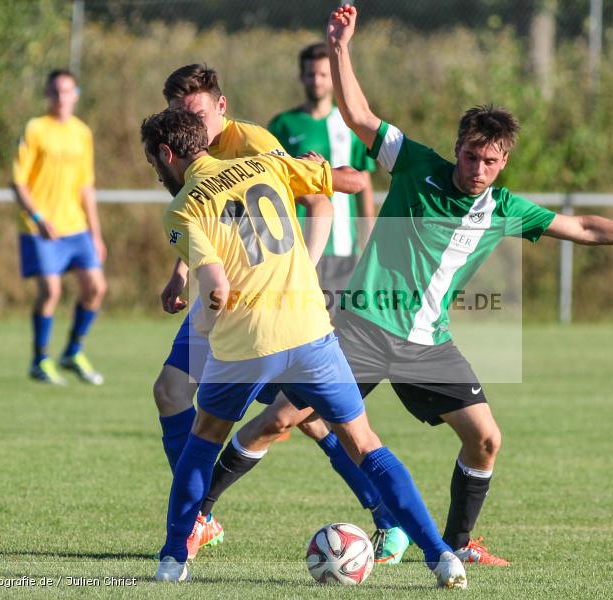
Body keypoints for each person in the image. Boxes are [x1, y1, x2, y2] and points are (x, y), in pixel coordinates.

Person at [189, 2, 613, 568]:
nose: (478, 169)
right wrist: (341, 49)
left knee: (486, 438)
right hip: (362, 329)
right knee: (279, 421)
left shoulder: (504, 208)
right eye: (471, 156)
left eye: (490, 161)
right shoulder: (416, 164)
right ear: (458, 145)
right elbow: (360, 114)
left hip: (428, 345)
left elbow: (583, 227)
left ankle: (460, 540)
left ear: (503, 160)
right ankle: (201, 515)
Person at [140, 107, 468, 589]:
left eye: (154, 163)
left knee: (203, 440)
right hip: (311, 333)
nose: (157, 172)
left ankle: (173, 560)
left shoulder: (183, 207)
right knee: (366, 442)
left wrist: (210, 314)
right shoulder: (265, 162)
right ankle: (441, 557)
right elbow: (348, 184)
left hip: (247, 341)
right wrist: (318, 167)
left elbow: (214, 285)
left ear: (168, 154)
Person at [151, 64, 398, 562]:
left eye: (195, 113)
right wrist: (181, 272)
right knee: (171, 390)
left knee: (308, 420)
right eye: (179, 115)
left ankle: (387, 514)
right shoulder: (190, 153)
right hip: (223, 298)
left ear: (221, 106)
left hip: (273, 305)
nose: (188, 125)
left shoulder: (255, 144)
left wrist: (299, 274)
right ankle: (199, 520)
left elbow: (320, 199)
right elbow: (202, 217)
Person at [13, 69, 107, 385]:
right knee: (51, 290)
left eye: (67, 91)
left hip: (76, 226)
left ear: (76, 94)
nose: (61, 97)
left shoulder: (82, 132)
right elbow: (18, 181)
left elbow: (86, 187)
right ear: (47, 94)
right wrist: (38, 218)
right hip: (40, 227)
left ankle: (72, 352)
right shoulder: (35, 129)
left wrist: (96, 234)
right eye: (55, 91)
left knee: (96, 288)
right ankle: (39, 359)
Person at [268, 42, 376, 301]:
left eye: (323, 74)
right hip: (299, 244)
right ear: (301, 76)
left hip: (342, 246)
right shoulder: (283, 125)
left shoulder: (351, 125)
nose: (316, 80)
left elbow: (363, 183)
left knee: (340, 327)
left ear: (332, 78)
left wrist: (368, 240)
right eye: (311, 74)